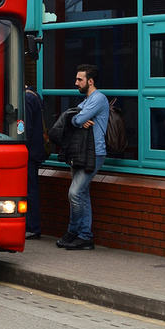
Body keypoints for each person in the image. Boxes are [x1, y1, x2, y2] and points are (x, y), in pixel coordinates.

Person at [56, 64, 109, 251]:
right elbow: (70, 117)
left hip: (94, 152)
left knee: (75, 193)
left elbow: (75, 119)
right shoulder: (86, 101)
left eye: (80, 79)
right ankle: (85, 236)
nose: (76, 82)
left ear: (90, 81)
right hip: (80, 151)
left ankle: (73, 231)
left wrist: (77, 118)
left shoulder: (98, 99)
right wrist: (77, 117)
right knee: (83, 194)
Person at [24, 86, 47, 240]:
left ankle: (32, 227)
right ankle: (33, 227)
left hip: (29, 152)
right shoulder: (35, 95)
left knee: (29, 189)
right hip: (36, 150)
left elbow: (26, 128)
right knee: (31, 188)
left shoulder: (26, 98)